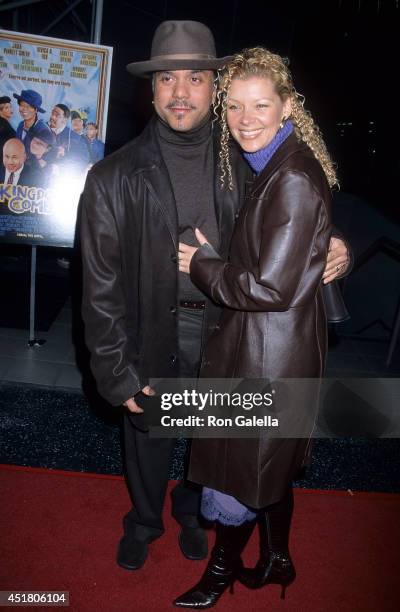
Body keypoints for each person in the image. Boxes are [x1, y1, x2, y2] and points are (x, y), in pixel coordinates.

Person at [80, 21, 350, 575]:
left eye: (196, 78)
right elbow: (99, 287)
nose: (180, 91)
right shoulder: (111, 177)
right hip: (151, 332)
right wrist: (117, 371)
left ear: (215, 87)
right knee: (148, 440)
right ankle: (144, 521)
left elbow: (290, 223)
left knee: (210, 442)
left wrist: (333, 246)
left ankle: (189, 514)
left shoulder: (248, 161)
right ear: (150, 90)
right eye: (167, 78)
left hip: (232, 332)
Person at [173, 46, 337, 609]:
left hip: (266, 356)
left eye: (260, 105)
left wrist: (200, 265)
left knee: (239, 473)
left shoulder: (289, 177)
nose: (246, 118)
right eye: (235, 106)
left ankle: (220, 573)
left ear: (287, 106)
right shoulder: (273, 164)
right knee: (267, 463)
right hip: (276, 348)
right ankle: (277, 558)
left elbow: (267, 287)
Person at [13, 89, 51, 154]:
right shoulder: (21, 125)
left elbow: (45, 155)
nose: (24, 109)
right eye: (21, 105)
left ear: (36, 110)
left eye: (28, 106)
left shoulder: (43, 129)